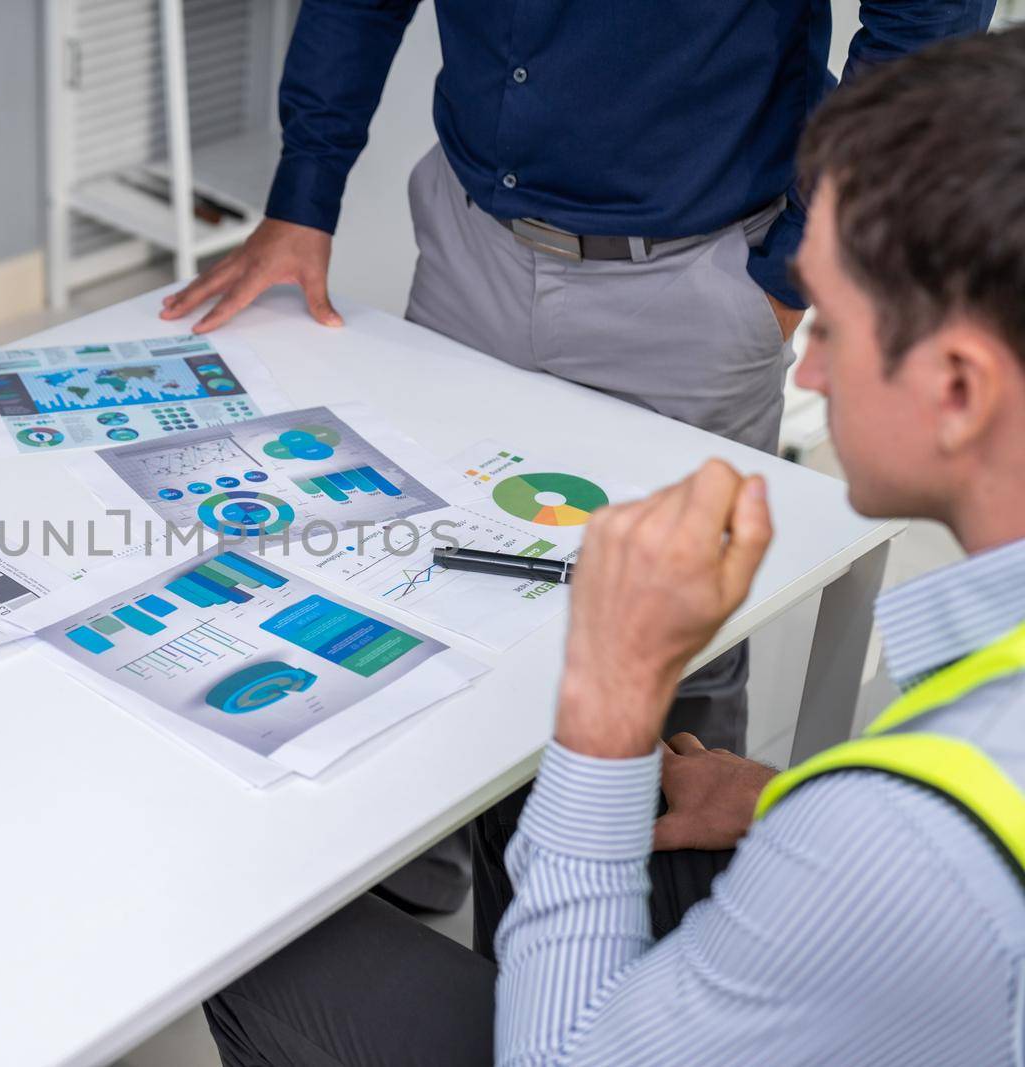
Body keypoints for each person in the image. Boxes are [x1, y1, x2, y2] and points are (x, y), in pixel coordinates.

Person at [205, 24, 1025, 1065]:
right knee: (555, 792)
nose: (807, 378)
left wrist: (610, 708)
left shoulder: (896, 831)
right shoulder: (928, 770)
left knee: (255, 937)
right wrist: (782, 798)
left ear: (959, 386)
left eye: (840, 326)